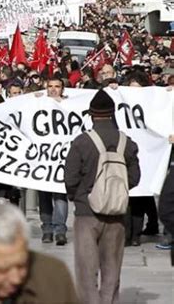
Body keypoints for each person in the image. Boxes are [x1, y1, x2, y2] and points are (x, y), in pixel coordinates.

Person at [64, 89, 141, 304]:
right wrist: (115, 193)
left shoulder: (81, 142)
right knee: (112, 270)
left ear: (91, 114)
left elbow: (69, 178)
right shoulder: (128, 143)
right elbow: (134, 178)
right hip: (116, 214)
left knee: (86, 273)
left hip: (86, 212)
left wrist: (78, 197)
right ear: (112, 113)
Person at [37, 77, 69, 245]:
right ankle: (47, 229)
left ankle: (60, 230)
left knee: (60, 195)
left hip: (62, 159)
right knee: (44, 196)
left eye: (57, 86)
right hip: (43, 158)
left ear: (62, 89)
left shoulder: (70, 105)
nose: (54, 89)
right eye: (50, 86)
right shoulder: (38, 103)